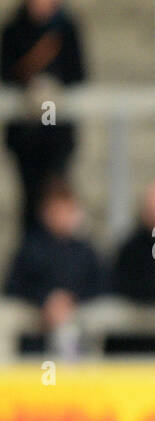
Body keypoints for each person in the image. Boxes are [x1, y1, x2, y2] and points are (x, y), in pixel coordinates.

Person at [1, 0, 86, 230]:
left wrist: (53, 87)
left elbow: (78, 73)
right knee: (30, 199)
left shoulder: (67, 30)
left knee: (56, 191)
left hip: (57, 135)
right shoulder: (14, 29)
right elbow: (6, 71)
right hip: (26, 136)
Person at [3, 177, 100, 357]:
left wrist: (71, 299)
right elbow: (14, 285)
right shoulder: (31, 247)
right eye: (56, 211)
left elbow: (99, 285)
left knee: (69, 328)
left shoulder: (84, 250)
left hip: (75, 310)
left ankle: (71, 379)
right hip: (36, 310)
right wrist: (45, 300)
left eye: (66, 210)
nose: (61, 216)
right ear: (45, 213)